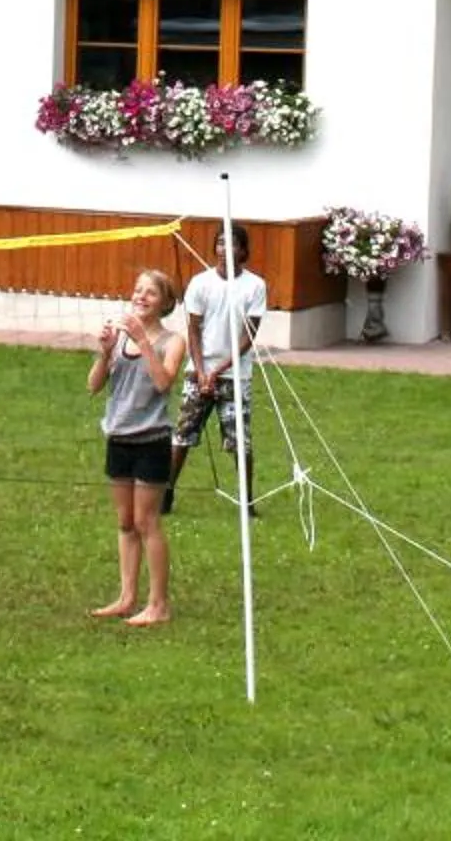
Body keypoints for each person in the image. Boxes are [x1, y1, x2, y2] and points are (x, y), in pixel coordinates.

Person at [89, 267, 186, 625]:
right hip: (118, 437)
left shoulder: (171, 341)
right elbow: (93, 386)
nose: (141, 296)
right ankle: (127, 597)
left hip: (152, 440)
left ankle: (158, 604)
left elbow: (163, 382)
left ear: (164, 303)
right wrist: (104, 351)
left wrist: (143, 342)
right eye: (138, 290)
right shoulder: (118, 336)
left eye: (150, 292)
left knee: (147, 522)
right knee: (126, 521)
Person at [169, 224, 269, 515]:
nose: (226, 249)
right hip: (198, 372)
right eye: (221, 243)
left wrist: (219, 370)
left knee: (240, 441)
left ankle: (247, 501)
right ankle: (167, 493)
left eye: (233, 244)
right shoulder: (200, 283)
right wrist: (201, 371)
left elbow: (248, 337)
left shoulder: (255, 286)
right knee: (183, 434)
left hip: (235, 375)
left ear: (243, 250)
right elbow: (194, 331)